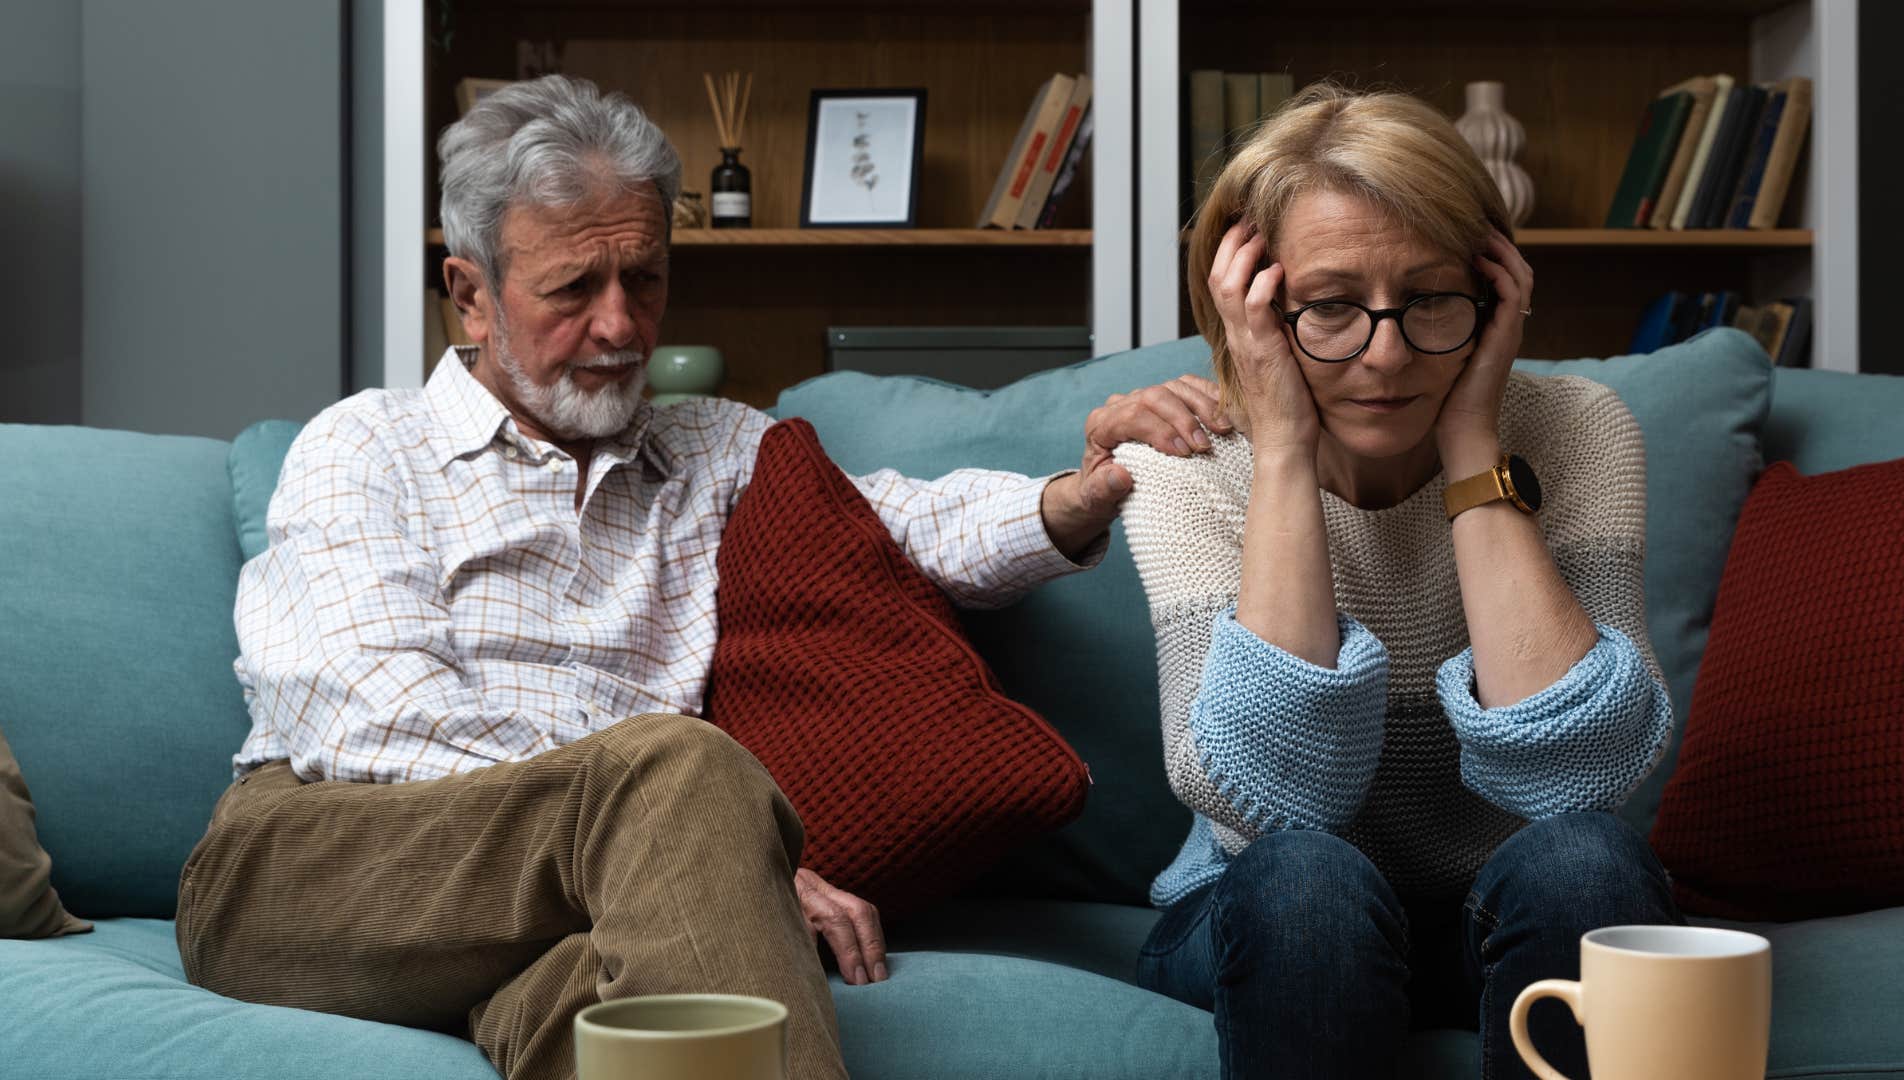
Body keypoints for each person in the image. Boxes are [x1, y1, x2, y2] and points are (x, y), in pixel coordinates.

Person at [172, 75, 1227, 1080]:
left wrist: (1076, 495)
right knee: (690, 772)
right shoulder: (367, 446)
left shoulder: (712, 448)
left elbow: (900, 522)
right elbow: (377, 721)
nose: (622, 326)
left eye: (645, 277)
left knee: (617, 1007)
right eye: (573, 289)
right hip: (321, 861)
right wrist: (717, 852)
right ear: (470, 295)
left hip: (591, 901)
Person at [1113, 83, 1681, 1080]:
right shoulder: (1181, 466)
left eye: (1429, 300)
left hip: (1499, 914)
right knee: (1306, 879)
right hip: (1268, 909)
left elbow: (1582, 774)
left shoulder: (1582, 429)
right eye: (1330, 307)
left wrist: (1473, 444)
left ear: (1494, 290)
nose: (1385, 354)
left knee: (1588, 860)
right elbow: (1268, 796)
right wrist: (1283, 452)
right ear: (1250, 302)